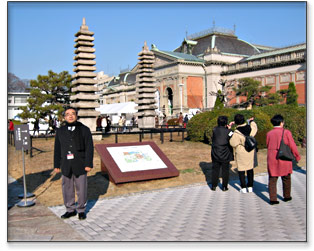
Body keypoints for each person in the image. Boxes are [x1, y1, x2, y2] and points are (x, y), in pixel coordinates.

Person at [54, 107, 94, 220]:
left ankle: (81, 210)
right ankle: (70, 209)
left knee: (81, 188)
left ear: (76, 116)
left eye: (73, 114)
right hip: (65, 163)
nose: (70, 116)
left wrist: (88, 164)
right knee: (67, 188)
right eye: (67, 114)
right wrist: (56, 165)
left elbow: (89, 147)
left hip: (80, 163)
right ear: (64, 117)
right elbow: (57, 148)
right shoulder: (60, 131)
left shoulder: (84, 129)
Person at [266, 114, 301, 205]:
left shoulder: (269, 133)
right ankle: (287, 196)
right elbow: (292, 145)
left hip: (272, 157)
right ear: (281, 123)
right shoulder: (286, 132)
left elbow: (267, 144)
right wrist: (297, 155)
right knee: (286, 178)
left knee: (272, 179)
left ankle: (273, 199)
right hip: (284, 157)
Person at [230, 114, 258, 193]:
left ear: (235, 122)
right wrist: (251, 121)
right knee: (250, 169)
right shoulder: (250, 128)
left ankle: (243, 187)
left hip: (241, 152)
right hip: (250, 151)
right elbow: (254, 127)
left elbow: (233, 143)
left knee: (241, 170)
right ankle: (250, 186)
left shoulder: (237, 132)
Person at [211, 116, 234, 191]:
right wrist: (229, 128)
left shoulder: (214, 129)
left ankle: (214, 185)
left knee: (215, 169)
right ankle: (224, 186)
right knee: (225, 170)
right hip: (225, 152)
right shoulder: (229, 131)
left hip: (215, 152)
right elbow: (231, 135)